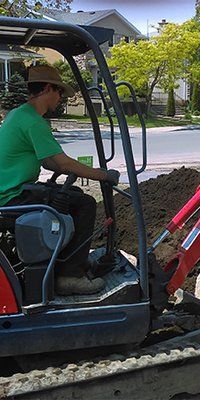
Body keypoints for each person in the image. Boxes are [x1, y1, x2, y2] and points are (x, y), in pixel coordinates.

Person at [0, 65, 120, 296]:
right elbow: (62, 163)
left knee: (73, 195)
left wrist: (83, 172)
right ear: (47, 88)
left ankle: (73, 263)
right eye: (59, 92)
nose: (61, 98)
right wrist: (104, 175)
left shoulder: (19, 114)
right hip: (11, 197)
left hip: (11, 192)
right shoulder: (33, 121)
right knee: (84, 204)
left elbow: (49, 162)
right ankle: (69, 276)